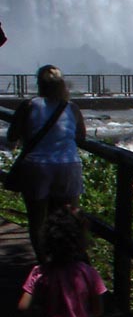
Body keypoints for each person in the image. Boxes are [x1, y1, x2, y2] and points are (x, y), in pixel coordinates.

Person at [5, 65, 86, 258]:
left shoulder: (30, 105)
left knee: (38, 221)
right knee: (69, 219)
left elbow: (11, 136)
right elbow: (81, 137)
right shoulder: (72, 108)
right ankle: (71, 265)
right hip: (68, 165)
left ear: (39, 84)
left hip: (37, 166)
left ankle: (44, 266)